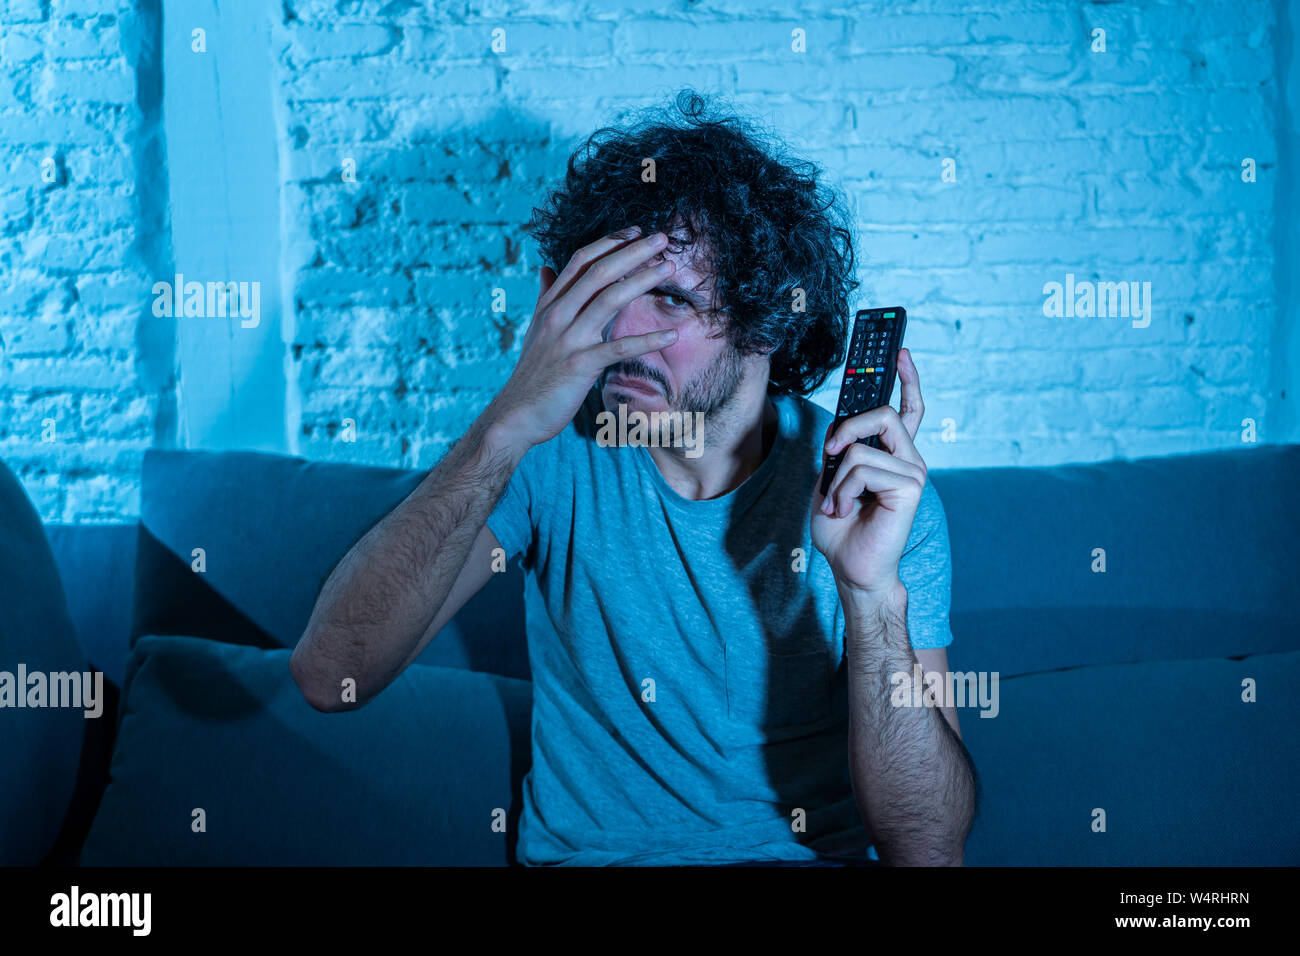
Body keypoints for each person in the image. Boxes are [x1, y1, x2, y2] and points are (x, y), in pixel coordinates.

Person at [290, 90, 977, 866]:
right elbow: (329, 677)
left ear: (764, 323)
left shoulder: (874, 500)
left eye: (671, 298)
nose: (621, 333)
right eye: (606, 295)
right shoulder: (546, 456)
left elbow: (927, 843)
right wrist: (507, 423)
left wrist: (869, 592)